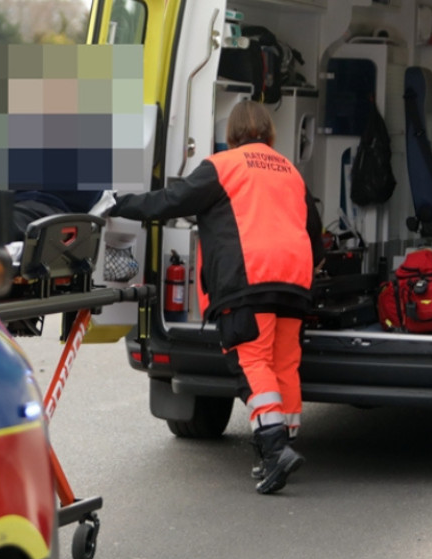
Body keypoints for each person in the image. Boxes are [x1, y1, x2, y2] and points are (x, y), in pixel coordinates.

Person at [105, 101, 323, 495]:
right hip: (294, 282)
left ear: (231, 133)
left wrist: (118, 203)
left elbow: (169, 202)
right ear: (269, 132)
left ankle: (275, 451)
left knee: (253, 361)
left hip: (248, 280)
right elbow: (314, 232)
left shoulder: (223, 166)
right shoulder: (290, 171)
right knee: (284, 363)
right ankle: (283, 444)